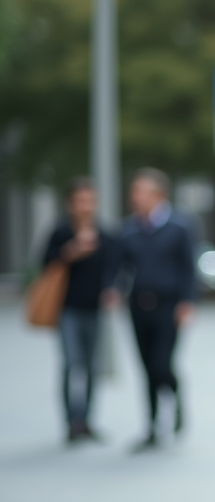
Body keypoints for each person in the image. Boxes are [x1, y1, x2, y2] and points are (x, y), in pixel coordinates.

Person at [118, 169, 196, 452]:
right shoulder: (130, 229)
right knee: (145, 367)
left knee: (161, 364)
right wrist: (113, 289)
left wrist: (188, 302)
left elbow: (189, 267)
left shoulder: (180, 226)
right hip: (138, 305)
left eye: (141, 192)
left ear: (159, 195)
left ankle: (175, 397)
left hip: (169, 306)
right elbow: (120, 266)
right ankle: (151, 426)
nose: (135, 198)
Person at [40, 177, 120, 444]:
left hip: (94, 309)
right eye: (80, 200)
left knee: (90, 366)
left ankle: (85, 420)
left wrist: (110, 289)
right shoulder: (61, 232)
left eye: (89, 200)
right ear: (70, 203)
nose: (85, 206)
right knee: (71, 363)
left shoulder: (104, 235)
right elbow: (45, 265)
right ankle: (69, 421)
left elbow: (112, 268)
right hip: (67, 309)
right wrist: (72, 250)